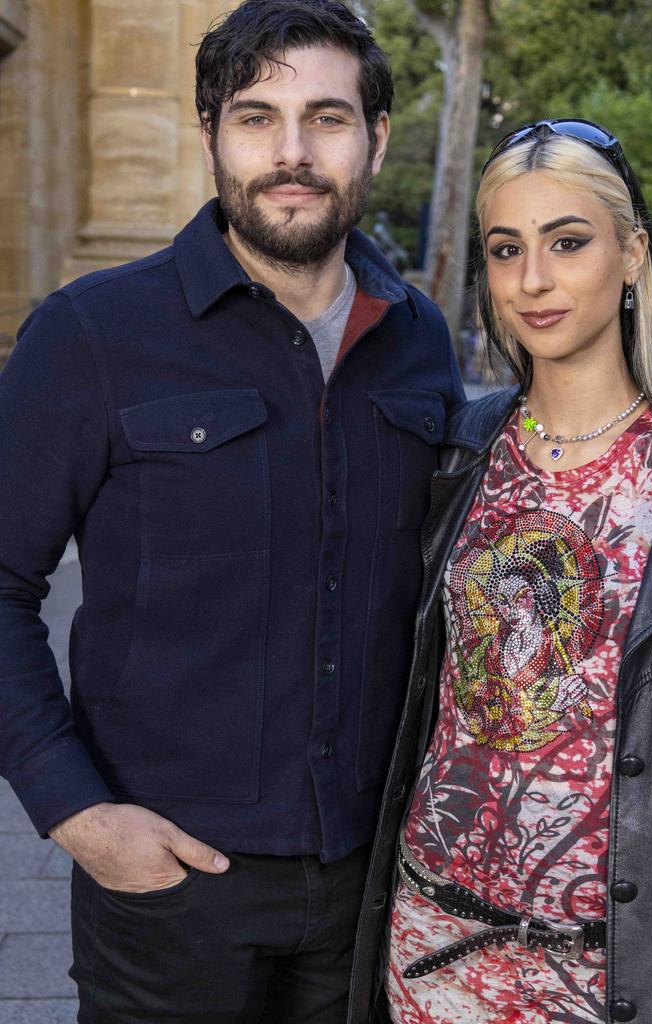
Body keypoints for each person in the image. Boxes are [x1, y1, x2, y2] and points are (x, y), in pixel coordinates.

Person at [0, 2, 465, 1021]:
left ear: (376, 139)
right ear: (207, 129)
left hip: (369, 888)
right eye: (256, 117)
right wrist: (74, 810)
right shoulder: (90, 334)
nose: (292, 153)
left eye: (327, 118)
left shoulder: (422, 340)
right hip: (166, 892)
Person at [347, 120, 652, 1024]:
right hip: (431, 955)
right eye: (507, 250)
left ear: (631, 255)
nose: (533, 280)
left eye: (567, 242)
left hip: (605, 981)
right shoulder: (452, 458)